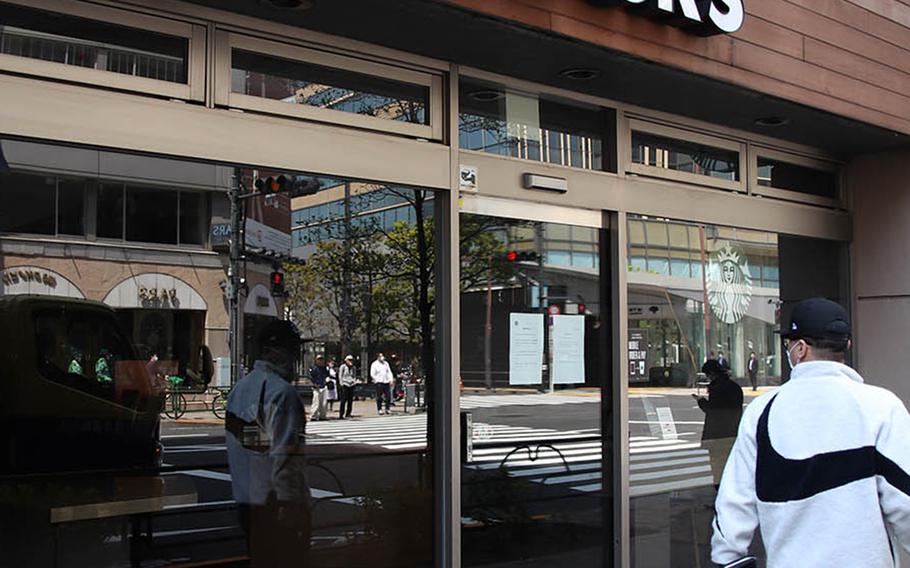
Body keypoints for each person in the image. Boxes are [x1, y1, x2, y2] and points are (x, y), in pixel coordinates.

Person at [712, 298, 910, 567]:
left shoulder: (763, 411)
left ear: (800, 349)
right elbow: (905, 501)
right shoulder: (881, 406)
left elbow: (734, 502)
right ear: (846, 345)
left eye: (788, 344)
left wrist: (728, 559)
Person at [225, 319, 311, 568]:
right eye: (290, 349)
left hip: (246, 501)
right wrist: (290, 504)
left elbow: (251, 442)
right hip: (278, 506)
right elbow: (285, 454)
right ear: (269, 351)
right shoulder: (282, 393)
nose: (294, 356)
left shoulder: (239, 389)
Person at [693, 359, 743, 489]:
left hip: (717, 435)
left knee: (717, 467)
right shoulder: (735, 387)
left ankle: (721, 494)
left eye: (708, 375)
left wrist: (701, 401)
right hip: (732, 432)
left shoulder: (716, 388)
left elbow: (713, 410)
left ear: (711, 374)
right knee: (731, 465)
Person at [309, 355, 330, 421]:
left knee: (324, 403)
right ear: (316, 360)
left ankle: (322, 416)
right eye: (319, 359)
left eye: (321, 359)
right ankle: (313, 416)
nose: (320, 361)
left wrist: (327, 381)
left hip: (323, 386)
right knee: (316, 402)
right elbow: (311, 377)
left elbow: (327, 376)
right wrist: (314, 384)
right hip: (316, 387)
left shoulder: (325, 368)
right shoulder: (314, 368)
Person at [338, 355, 357, 419]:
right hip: (345, 384)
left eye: (351, 360)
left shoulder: (353, 367)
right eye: (349, 360)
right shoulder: (343, 367)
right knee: (343, 400)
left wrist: (354, 381)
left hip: (351, 384)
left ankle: (348, 413)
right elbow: (340, 375)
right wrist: (341, 383)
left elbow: (354, 376)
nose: (350, 361)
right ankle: (341, 414)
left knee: (350, 400)